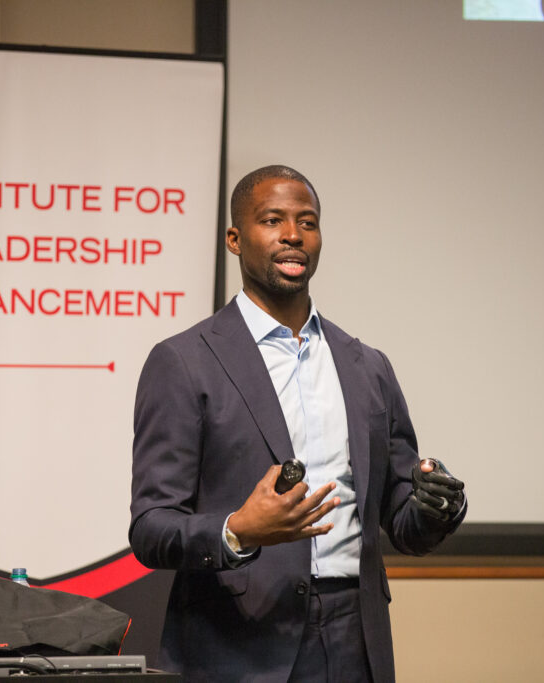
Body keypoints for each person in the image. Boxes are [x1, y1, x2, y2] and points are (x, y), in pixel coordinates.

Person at [129, 165, 466, 682]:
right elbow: (152, 528)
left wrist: (435, 504)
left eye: (307, 222)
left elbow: (402, 521)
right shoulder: (183, 362)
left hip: (357, 637)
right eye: (273, 220)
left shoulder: (367, 366)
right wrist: (239, 530)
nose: (293, 235)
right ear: (235, 239)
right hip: (237, 644)